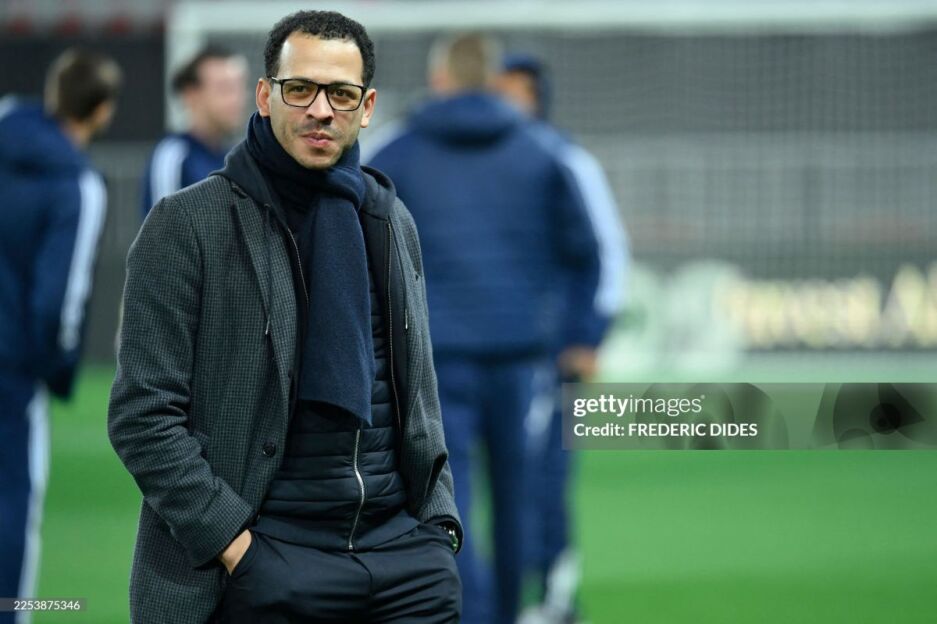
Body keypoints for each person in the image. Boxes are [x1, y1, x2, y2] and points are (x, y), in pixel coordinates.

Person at [107, 10, 461, 624]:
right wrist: (237, 549)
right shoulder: (186, 225)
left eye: (341, 94)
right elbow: (142, 415)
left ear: (367, 107)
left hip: (403, 564)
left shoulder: (389, 219)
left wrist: (438, 528)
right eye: (300, 89)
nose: (320, 110)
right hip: (266, 564)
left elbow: (420, 394)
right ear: (265, 96)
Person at [367, 34, 601, 624]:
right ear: (493, 80)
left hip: (434, 360)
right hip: (522, 358)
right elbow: (586, 253)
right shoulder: (541, 152)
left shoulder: (397, 153)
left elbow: (358, 250)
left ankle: (467, 613)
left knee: (447, 500)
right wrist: (577, 333)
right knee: (518, 497)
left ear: (439, 78)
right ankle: (509, 610)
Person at [496, 53, 631, 624]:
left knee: (543, 476)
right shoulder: (486, 164)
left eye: (513, 92)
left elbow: (609, 255)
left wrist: (588, 337)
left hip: (551, 354)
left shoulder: (567, 161)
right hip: (493, 354)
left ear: (536, 99)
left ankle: (553, 598)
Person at [0, 48, 120, 623]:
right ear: (102, 111)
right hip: (10, 375)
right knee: (11, 508)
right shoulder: (77, 184)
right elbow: (58, 301)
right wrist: (59, 369)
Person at [141, 45, 247, 218]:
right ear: (191, 95)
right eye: (224, 88)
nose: (236, 99)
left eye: (239, 88)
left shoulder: (237, 159)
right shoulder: (173, 156)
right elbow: (162, 229)